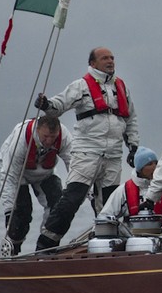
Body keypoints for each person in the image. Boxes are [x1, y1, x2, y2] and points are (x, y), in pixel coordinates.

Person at [34, 47, 139, 251]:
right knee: (72, 199)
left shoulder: (121, 87)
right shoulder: (81, 86)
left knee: (110, 203)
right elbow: (59, 105)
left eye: (112, 57)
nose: (110, 61)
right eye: (105, 58)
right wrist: (46, 104)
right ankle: (46, 244)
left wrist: (133, 146)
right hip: (87, 152)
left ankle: (107, 244)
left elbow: (131, 118)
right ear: (92, 63)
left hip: (113, 155)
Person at [0, 115, 72, 256]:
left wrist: (87, 192)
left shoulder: (64, 136)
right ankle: (11, 250)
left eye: (53, 137)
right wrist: (9, 211)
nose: (49, 141)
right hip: (18, 174)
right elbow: (10, 177)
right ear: (37, 130)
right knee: (21, 215)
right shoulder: (20, 139)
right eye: (45, 137)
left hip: (45, 173)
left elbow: (74, 166)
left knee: (59, 207)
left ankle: (46, 248)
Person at [98, 147, 162, 235]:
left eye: (156, 163)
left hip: (159, 240)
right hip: (129, 241)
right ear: (140, 169)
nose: (155, 167)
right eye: (149, 164)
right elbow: (105, 216)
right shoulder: (124, 190)